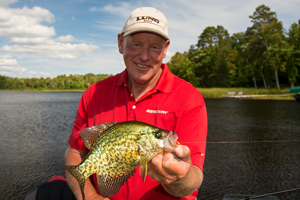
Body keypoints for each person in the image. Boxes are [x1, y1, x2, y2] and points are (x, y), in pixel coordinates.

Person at [65, 7, 207, 200]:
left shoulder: (190, 98)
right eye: (137, 44)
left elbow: (193, 180)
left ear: (165, 49)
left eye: (155, 47)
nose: (144, 56)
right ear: (121, 43)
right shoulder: (93, 93)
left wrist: (178, 179)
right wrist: (90, 196)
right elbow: (76, 151)